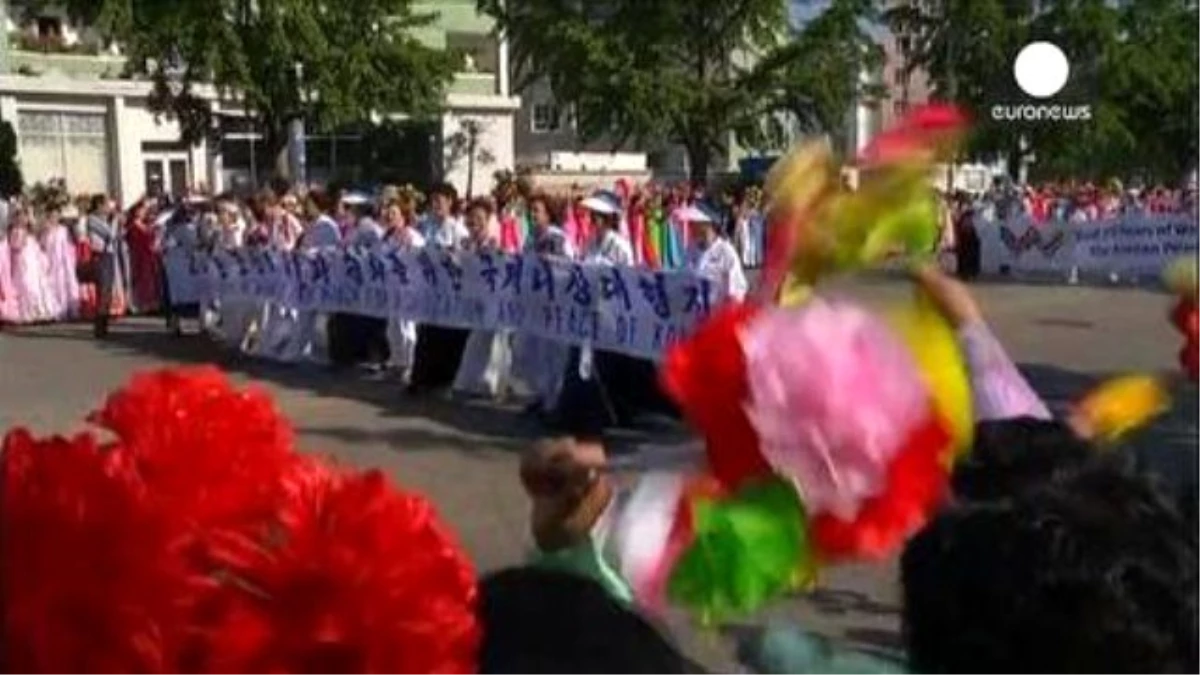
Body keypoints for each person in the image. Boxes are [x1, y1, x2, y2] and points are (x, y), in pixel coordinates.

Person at [511, 193, 576, 416]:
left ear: (549, 214)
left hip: (554, 304)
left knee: (553, 354)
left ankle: (554, 402)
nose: (532, 214)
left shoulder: (556, 238)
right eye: (531, 210)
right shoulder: (531, 237)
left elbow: (566, 268)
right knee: (531, 351)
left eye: (537, 210)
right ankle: (540, 394)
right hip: (533, 303)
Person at [407, 182, 472, 395]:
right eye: (433, 200)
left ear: (449, 202)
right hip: (430, 289)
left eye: (440, 200)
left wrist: (450, 255)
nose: (436, 204)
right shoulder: (427, 225)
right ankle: (421, 379)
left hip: (451, 292)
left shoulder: (457, 228)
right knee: (427, 333)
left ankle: (444, 381)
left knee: (447, 337)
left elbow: (463, 258)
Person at [452, 197, 511, 398]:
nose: (474, 223)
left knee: (492, 341)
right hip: (473, 298)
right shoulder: (466, 244)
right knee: (479, 340)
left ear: (487, 220)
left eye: (479, 218)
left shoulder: (495, 244)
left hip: (494, 298)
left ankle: (487, 382)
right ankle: (475, 380)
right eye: (471, 218)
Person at [380, 198, 426, 379]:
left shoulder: (413, 236)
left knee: (407, 326)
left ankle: (411, 363)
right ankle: (397, 360)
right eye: (388, 213)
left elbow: (421, 257)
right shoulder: (387, 236)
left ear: (403, 216)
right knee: (393, 326)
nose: (390, 216)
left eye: (394, 213)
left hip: (409, 286)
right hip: (392, 286)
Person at [680, 201, 748, 302]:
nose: (690, 226)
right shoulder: (692, 249)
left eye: (695, 222)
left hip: (720, 312)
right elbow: (691, 281)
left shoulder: (726, 252)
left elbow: (737, 293)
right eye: (690, 223)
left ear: (709, 225)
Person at [86, 194, 120, 338]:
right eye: (106, 205)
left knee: (107, 291)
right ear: (99, 205)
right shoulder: (92, 219)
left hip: (109, 255)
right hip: (101, 256)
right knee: (103, 290)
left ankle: (104, 325)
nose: (108, 208)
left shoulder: (104, 219)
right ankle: (100, 327)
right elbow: (110, 234)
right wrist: (115, 221)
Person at [124, 198, 163, 314]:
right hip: (140, 255)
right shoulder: (133, 225)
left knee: (150, 279)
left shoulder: (142, 223)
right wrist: (151, 233)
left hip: (148, 255)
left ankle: (152, 304)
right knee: (143, 280)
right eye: (142, 210)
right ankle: (143, 304)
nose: (144, 212)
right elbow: (140, 239)